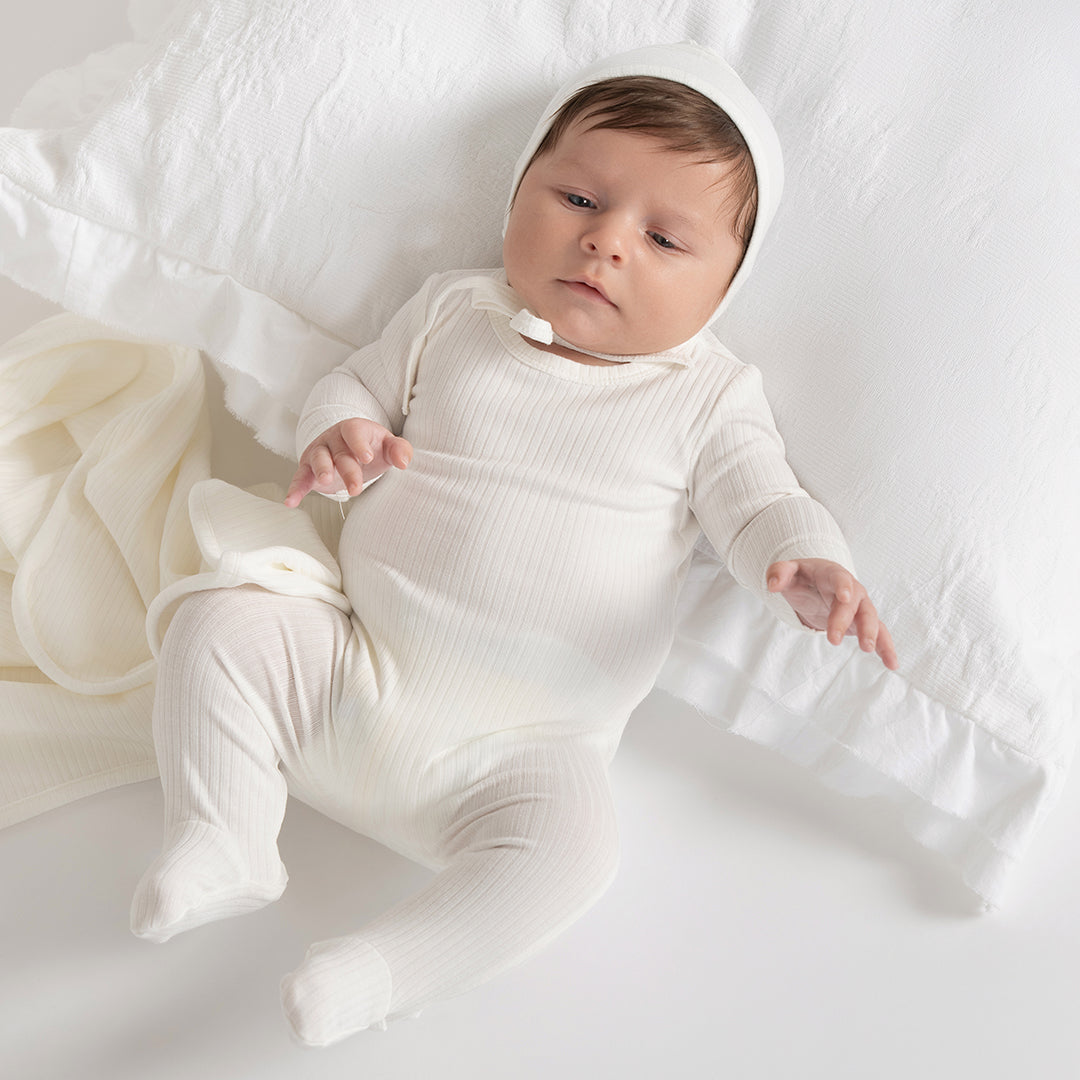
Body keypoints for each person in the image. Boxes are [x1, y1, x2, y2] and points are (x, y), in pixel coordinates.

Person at [131, 42, 897, 1048]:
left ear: (726, 287)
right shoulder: (455, 310)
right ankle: (223, 833)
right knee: (218, 621)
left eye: (664, 239)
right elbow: (355, 385)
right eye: (578, 199)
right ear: (517, 194)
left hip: (523, 755)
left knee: (577, 853)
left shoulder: (709, 398)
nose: (606, 242)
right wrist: (343, 430)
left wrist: (806, 562)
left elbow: (763, 503)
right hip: (349, 666)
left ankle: (379, 972)